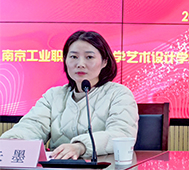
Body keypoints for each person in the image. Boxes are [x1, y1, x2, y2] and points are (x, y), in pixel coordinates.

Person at [1, 30, 138, 160]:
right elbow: (32, 126)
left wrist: (81, 147)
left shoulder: (119, 94)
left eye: (89, 57)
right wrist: (12, 141)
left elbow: (122, 134)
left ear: (104, 62)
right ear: (65, 60)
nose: (80, 64)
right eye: (73, 57)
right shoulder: (54, 95)